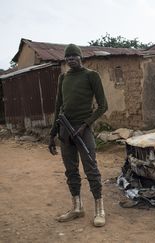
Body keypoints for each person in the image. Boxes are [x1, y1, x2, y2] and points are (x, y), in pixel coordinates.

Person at [48, 44, 108, 227]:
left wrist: (84, 126)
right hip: (65, 130)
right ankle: (77, 208)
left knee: (91, 168)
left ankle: (100, 210)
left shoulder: (91, 75)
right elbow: (58, 106)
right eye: (68, 57)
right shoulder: (63, 77)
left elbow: (103, 106)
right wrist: (52, 133)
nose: (71, 59)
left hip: (83, 131)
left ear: (81, 57)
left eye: (74, 56)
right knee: (71, 171)